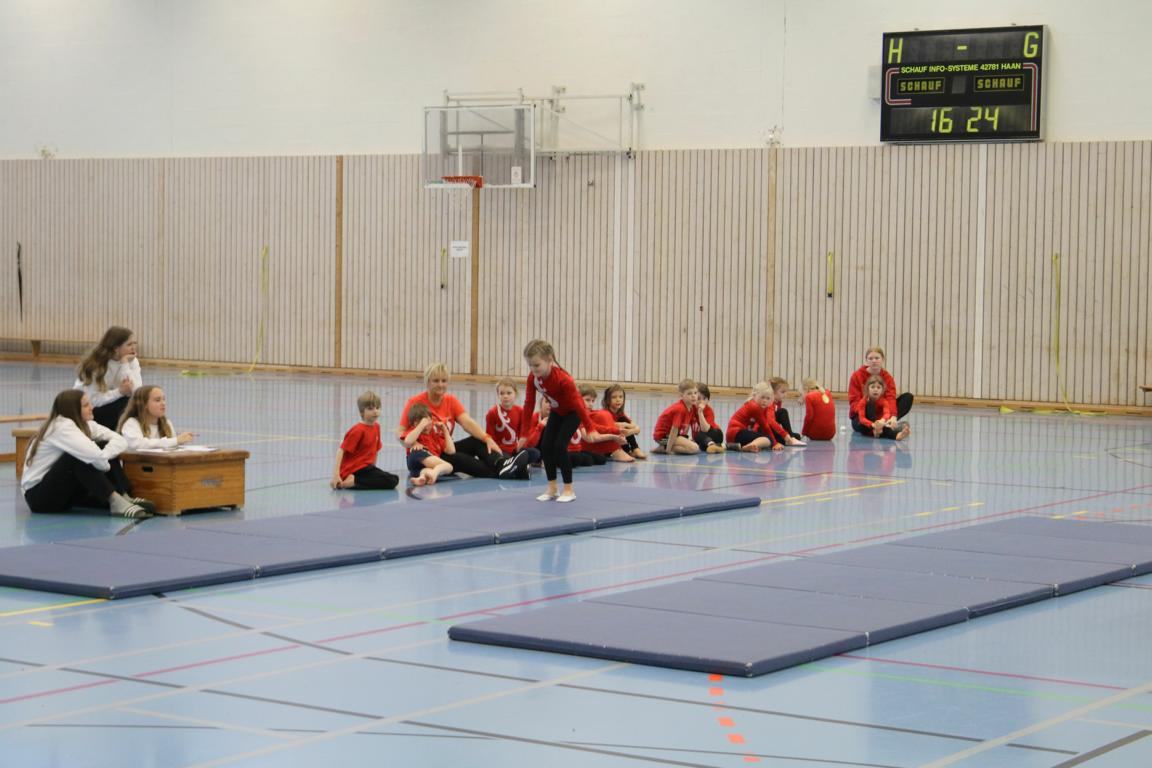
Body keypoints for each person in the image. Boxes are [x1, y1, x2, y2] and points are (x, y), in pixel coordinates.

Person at [21, 390, 154, 518]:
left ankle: (123, 495)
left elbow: (120, 440)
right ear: (73, 409)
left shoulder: (86, 424)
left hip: (63, 494)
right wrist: (103, 461)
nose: (92, 407)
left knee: (102, 445)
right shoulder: (61, 426)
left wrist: (104, 454)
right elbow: (95, 457)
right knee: (76, 457)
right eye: (85, 405)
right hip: (39, 498)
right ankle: (116, 501)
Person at [398, 363, 529, 480]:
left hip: (445, 448)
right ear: (427, 382)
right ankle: (507, 472)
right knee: (462, 461)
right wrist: (414, 443)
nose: (440, 384)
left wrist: (487, 438)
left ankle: (502, 463)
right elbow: (400, 432)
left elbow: (467, 423)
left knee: (477, 440)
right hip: (430, 455)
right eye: (436, 381)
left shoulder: (451, 401)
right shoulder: (415, 403)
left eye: (444, 381)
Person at [518, 339, 597, 502]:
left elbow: (578, 403)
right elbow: (529, 404)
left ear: (549, 359)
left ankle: (568, 490)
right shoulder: (533, 378)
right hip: (557, 411)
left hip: (573, 413)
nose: (533, 369)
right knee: (546, 446)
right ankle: (552, 488)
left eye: (536, 365)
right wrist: (524, 433)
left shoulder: (563, 379)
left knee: (560, 447)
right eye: (530, 365)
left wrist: (590, 427)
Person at [74, 326, 142, 430]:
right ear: (116, 348)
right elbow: (93, 401)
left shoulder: (131, 361)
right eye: (129, 344)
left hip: (109, 406)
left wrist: (124, 364)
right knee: (124, 403)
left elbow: (137, 392)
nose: (133, 348)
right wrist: (119, 392)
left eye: (134, 343)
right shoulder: (96, 365)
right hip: (86, 411)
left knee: (138, 403)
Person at [330, 391, 400, 490]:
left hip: (366, 469)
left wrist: (374, 469)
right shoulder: (358, 430)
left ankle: (354, 481)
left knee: (394, 479)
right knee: (391, 481)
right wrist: (336, 474)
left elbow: (375, 450)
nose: (375, 411)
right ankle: (350, 481)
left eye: (377, 408)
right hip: (354, 469)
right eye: (370, 409)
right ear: (362, 412)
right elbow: (341, 451)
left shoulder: (377, 427)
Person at [652, 379, 724, 454]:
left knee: (693, 448)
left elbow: (685, 428)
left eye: (695, 393)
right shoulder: (680, 409)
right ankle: (664, 447)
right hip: (663, 438)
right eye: (689, 394)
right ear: (681, 395)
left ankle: (663, 447)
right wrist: (668, 450)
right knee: (694, 448)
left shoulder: (690, 408)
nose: (693, 396)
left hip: (673, 436)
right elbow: (674, 429)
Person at [725, 381, 800, 451]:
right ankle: (751, 445)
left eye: (768, 398)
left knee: (767, 439)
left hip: (737, 435)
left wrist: (782, 436)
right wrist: (775, 443)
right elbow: (765, 426)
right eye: (762, 397)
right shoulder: (754, 406)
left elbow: (767, 424)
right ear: (754, 395)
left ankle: (742, 446)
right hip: (736, 433)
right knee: (768, 439)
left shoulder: (763, 407)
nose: (765, 401)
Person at [118, 385, 195, 450]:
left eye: (164, 399)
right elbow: (138, 445)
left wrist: (179, 442)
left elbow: (172, 448)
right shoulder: (131, 423)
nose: (163, 403)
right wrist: (175, 441)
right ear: (144, 404)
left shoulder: (167, 423)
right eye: (157, 400)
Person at [847, 346, 913, 419]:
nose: (874, 361)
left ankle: (887, 422)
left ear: (883, 359)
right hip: (862, 413)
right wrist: (862, 411)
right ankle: (877, 424)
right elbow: (854, 400)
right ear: (866, 360)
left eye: (877, 358)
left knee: (908, 397)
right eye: (870, 358)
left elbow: (890, 398)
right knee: (869, 403)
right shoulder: (857, 376)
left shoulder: (887, 377)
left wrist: (893, 415)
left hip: (882, 414)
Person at [402, 402, 456, 486]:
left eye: (427, 422)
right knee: (448, 466)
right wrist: (421, 426)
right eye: (420, 423)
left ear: (431, 420)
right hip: (417, 455)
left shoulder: (435, 436)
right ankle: (435, 473)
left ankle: (422, 478)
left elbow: (451, 451)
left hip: (415, 468)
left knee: (425, 471)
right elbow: (408, 441)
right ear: (414, 424)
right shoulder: (414, 432)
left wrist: (445, 431)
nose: (426, 426)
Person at [578, 383, 634, 463]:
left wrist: (617, 430)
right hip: (583, 444)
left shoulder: (590, 412)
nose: (591, 404)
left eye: (593, 401)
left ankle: (629, 448)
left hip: (594, 441)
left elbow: (597, 427)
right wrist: (614, 435)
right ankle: (616, 450)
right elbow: (592, 435)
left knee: (604, 414)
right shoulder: (578, 415)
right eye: (587, 400)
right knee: (603, 414)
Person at [850, 375, 911, 441]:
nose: (875, 389)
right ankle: (877, 431)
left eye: (878, 387)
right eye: (872, 387)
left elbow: (887, 413)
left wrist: (882, 420)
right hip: (867, 425)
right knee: (864, 423)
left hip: (879, 425)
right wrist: (873, 425)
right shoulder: (863, 401)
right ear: (867, 389)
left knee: (884, 428)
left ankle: (896, 436)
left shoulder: (884, 401)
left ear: (882, 390)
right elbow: (862, 418)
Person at [602, 384, 646, 459]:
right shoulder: (604, 413)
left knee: (625, 423)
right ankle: (627, 450)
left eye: (620, 397)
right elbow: (611, 426)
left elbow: (636, 428)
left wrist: (630, 430)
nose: (618, 399)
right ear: (607, 400)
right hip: (606, 445)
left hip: (618, 441)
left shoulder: (620, 414)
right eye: (614, 397)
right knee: (623, 425)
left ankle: (635, 448)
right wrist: (627, 427)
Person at [485, 378, 524, 457]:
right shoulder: (492, 412)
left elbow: (521, 433)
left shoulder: (520, 411)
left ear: (515, 393)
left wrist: (520, 447)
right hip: (500, 449)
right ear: (498, 395)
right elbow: (490, 436)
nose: (505, 396)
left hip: (515, 449)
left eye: (509, 393)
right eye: (502, 393)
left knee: (534, 453)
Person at [768, 377, 804, 442]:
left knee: (797, 436)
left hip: (772, 428)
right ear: (773, 392)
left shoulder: (778, 401)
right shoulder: (769, 402)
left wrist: (784, 434)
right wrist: (785, 434)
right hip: (766, 429)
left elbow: (777, 421)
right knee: (783, 412)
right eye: (782, 392)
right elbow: (770, 421)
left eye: (786, 392)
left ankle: (790, 435)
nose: (785, 394)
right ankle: (790, 435)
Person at [695, 383, 727, 448]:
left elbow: (705, 429)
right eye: (698, 398)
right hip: (705, 436)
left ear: (708, 400)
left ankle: (711, 444)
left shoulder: (709, 411)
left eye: (704, 398)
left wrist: (700, 413)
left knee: (698, 435)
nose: (701, 401)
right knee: (700, 444)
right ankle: (725, 446)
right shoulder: (691, 409)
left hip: (716, 433)